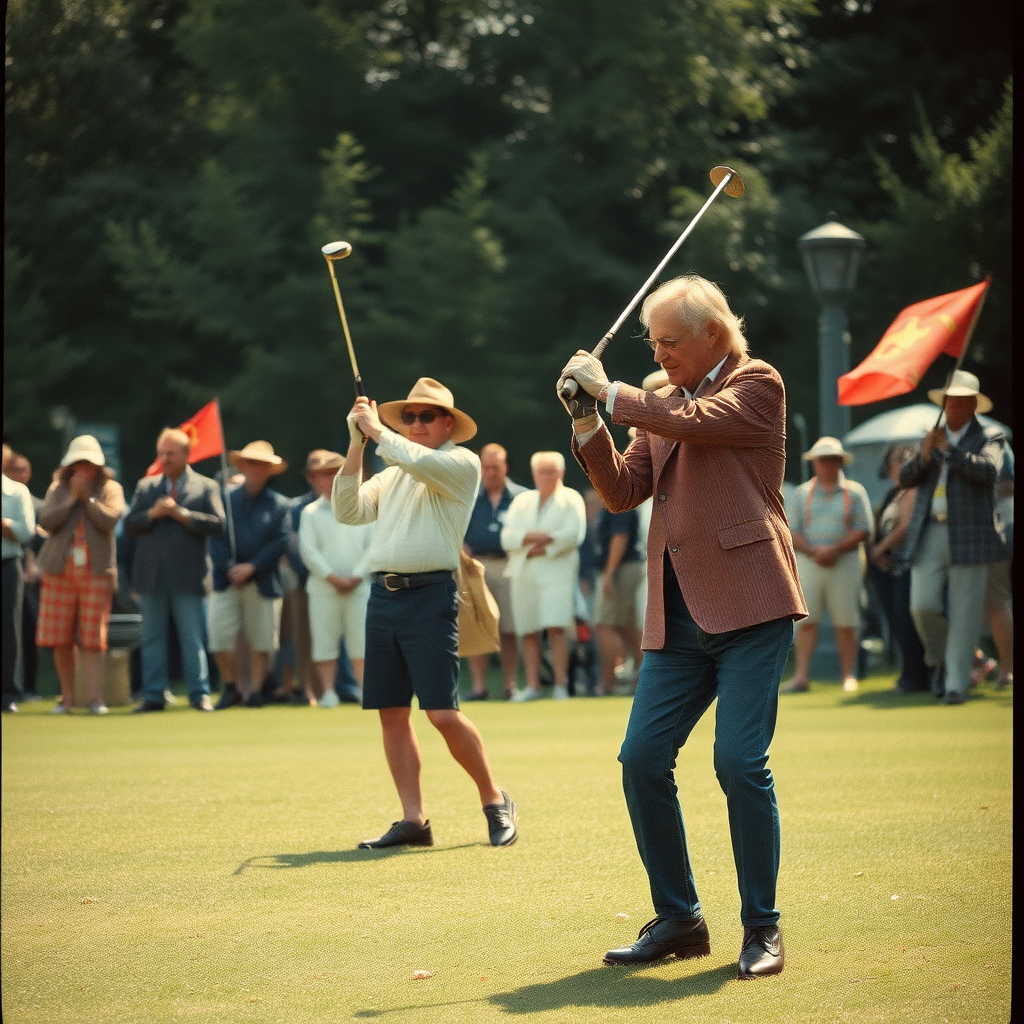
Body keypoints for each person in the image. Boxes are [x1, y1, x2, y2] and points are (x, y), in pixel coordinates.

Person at [558, 273, 805, 980]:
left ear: (713, 336)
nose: (660, 353)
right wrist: (587, 422)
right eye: (653, 342)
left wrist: (611, 392)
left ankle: (762, 927)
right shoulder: (659, 401)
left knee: (738, 763)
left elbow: (699, 422)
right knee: (640, 759)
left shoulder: (759, 382)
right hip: (678, 614)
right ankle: (679, 920)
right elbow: (621, 492)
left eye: (670, 341)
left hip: (753, 605)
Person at [334, 377, 517, 849]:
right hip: (384, 597)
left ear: (448, 424)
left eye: (426, 416)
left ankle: (495, 799)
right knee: (391, 712)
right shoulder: (392, 470)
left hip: (431, 596)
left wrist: (376, 432)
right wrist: (356, 445)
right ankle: (414, 820)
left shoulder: (461, 463)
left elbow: (416, 460)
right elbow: (348, 510)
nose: (416, 424)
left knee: (441, 713)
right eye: (409, 417)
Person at [899, 371, 1010, 704]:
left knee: (965, 612)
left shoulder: (991, 436)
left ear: (973, 405)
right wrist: (923, 454)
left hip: (971, 535)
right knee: (922, 606)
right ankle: (943, 661)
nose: (953, 406)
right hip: (929, 529)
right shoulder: (931, 436)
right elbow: (906, 478)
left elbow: (988, 472)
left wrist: (949, 451)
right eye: (949, 400)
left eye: (961, 400)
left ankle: (956, 686)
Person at [125, 428, 226, 712]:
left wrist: (183, 516)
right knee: (152, 638)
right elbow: (131, 524)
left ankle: (199, 694)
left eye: (170, 453)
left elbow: (218, 524)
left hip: (188, 574)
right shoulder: (146, 487)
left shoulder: (205, 486)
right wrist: (153, 514)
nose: (165, 459)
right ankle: (154, 694)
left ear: (186, 454)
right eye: (162, 453)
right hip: (151, 574)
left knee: (192, 637)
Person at [35, 435, 126, 714]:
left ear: (98, 466)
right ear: (69, 466)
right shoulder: (57, 489)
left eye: (88, 463)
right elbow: (46, 522)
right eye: (77, 463)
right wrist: (71, 498)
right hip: (59, 571)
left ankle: (95, 698)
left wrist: (85, 498)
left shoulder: (111, 488)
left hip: (96, 571)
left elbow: (109, 520)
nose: (82, 468)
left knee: (92, 637)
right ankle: (67, 698)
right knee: (60, 637)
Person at [784, 437, 872, 694]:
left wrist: (834, 549)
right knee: (806, 622)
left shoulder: (854, 492)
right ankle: (801, 676)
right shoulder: (802, 493)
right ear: (815, 463)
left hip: (844, 561)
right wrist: (814, 551)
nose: (826, 464)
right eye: (822, 460)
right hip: (810, 561)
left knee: (846, 621)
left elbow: (863, 528)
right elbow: (792, 530)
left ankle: (848, 675)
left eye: (832, 459)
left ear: (839, 462)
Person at [207, 440, 292, 709]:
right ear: (243, 466)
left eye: (262, 465)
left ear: (270, 470)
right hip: (226, 580)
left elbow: (282, 541)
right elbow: (215, 538)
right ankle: (231, 686)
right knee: (219, 637)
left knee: (263, 640)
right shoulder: (224, 500)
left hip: (263, 580)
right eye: (252, 463)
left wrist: (252, 566)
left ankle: (254, 691)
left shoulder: (279, 505)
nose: (256, 469)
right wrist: (229, 568)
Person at [500, 452, 587, 702]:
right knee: (528, 630)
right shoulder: (522, 501)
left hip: (557, 572)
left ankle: (561, 684)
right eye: (542, 471)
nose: (546, 476)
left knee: (557, 626)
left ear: (560, 473)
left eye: (551, 471)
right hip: (524, 572)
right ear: (534, 473)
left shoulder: (571, 498)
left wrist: (540, 544)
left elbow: (573, 535)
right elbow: (507, 538)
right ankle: (533, 686)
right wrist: (537, 537)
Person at [298, 450, 373, 706]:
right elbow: (308, 551)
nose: (328, 479)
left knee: (362, 641)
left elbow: (374, 547)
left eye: (333, 473)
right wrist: (331, 577)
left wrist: (357, 576)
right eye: (322, 475)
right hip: (323, 588)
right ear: (313, 479)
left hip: (359, 586)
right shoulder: (310, 512)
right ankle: (328, 692)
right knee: (324, 640)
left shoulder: (363, 506)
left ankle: (366, 690)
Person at [462, 443, 527, 700]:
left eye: (495, 467)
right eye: (485, 467)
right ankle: (479, 686)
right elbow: (455, 528)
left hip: (510, 565)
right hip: (476, 565)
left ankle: (509, 685)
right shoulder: (468, 497)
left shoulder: (521, 497)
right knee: (478, 628)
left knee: (509, 628)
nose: (489, 472)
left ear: (505, 468)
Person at [866, 442, 930, 693]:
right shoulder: (894, 492)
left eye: (905, 460)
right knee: (898, 623)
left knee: (907, 621)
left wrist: (878, 549)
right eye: (895, 462)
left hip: (907, 566)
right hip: (889, 569)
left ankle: (918, 677)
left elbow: (904, 528)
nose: (899, 466)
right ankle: (909, 675)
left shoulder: (913, 489)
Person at [594, 504, 645, 697]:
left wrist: (609, 573)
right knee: (627, 625)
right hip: (626, 567)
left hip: (621, 568)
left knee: (604, 624)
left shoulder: (620, 500)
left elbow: (620, 537)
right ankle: (641, 677)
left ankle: (607, 684)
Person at [6, 452, 45, 701]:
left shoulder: (39, 505)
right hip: (15, 568)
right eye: (14, 470)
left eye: (23, 470)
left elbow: (37, 539)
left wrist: (35, 566)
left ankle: (27, 687)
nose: (19, 475)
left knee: (29, 633)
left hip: (32, 579)